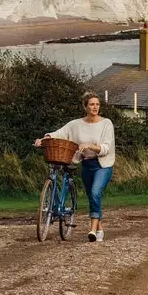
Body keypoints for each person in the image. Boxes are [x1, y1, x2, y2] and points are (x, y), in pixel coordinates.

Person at [34, 92, 115, 242]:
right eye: (91, 104)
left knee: (96, 192)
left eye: (97, 104)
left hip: (103, 165)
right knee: (92, 196)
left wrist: (91, 145)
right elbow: (60, 133)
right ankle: (100, 228)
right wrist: (44, 139)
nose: (95, 107)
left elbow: (106, 148)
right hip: (86, 164)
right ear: (85, 106)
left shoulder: (106, 124)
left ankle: (92, 230)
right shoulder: (76, 124)